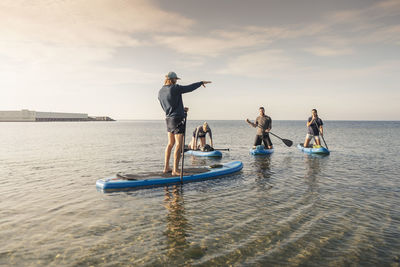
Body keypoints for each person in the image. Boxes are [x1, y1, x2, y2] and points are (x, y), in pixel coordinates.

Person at [158, 71, 211, 175]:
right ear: (172, 79)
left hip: (168, 119)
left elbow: (168, 106)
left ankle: (166, 167)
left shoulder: (160, 91)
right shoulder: (175, 88)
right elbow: (188, 88)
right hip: (177, 119)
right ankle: (175, 170)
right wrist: (200, 83)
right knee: (178, 144)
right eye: (175, 79)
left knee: (170, 143)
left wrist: (181, 109)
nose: (176, 81)